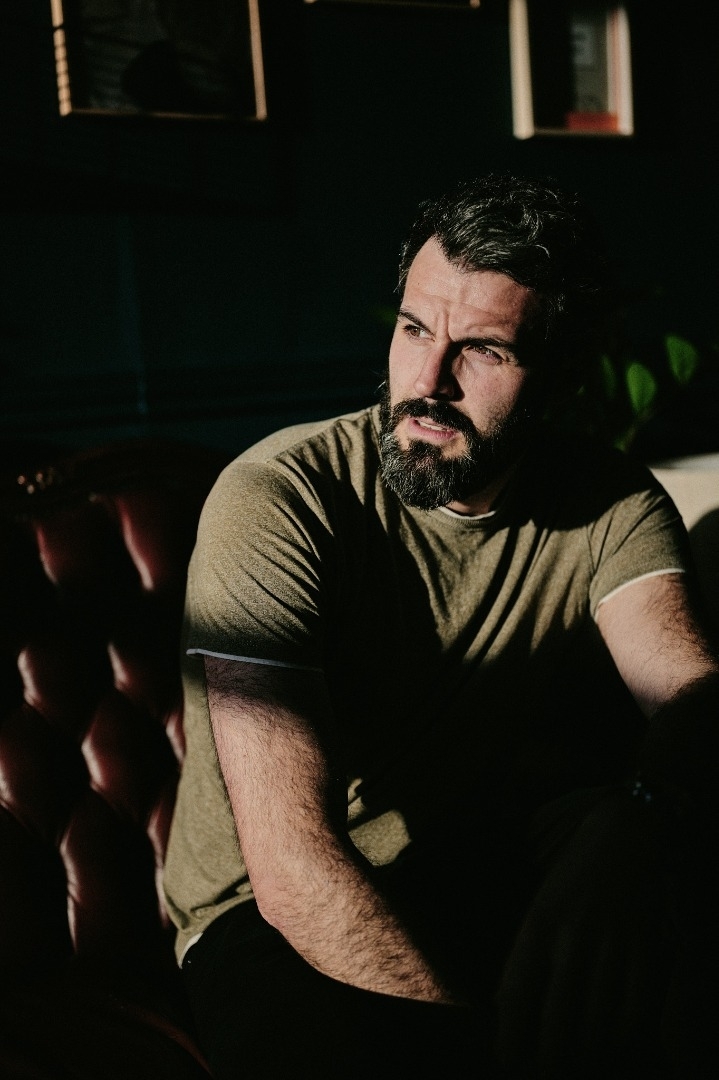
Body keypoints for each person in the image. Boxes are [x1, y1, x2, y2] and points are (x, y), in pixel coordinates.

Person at [163, 173, 719, 1079]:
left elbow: (692, 701)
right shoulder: (279, 499)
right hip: (262, 910)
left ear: (559, 372)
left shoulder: (609, 502)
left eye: (483, 350)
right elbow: (293, 867)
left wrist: (634, 819)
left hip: (481, 862)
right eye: (414, 329)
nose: (426, 383)